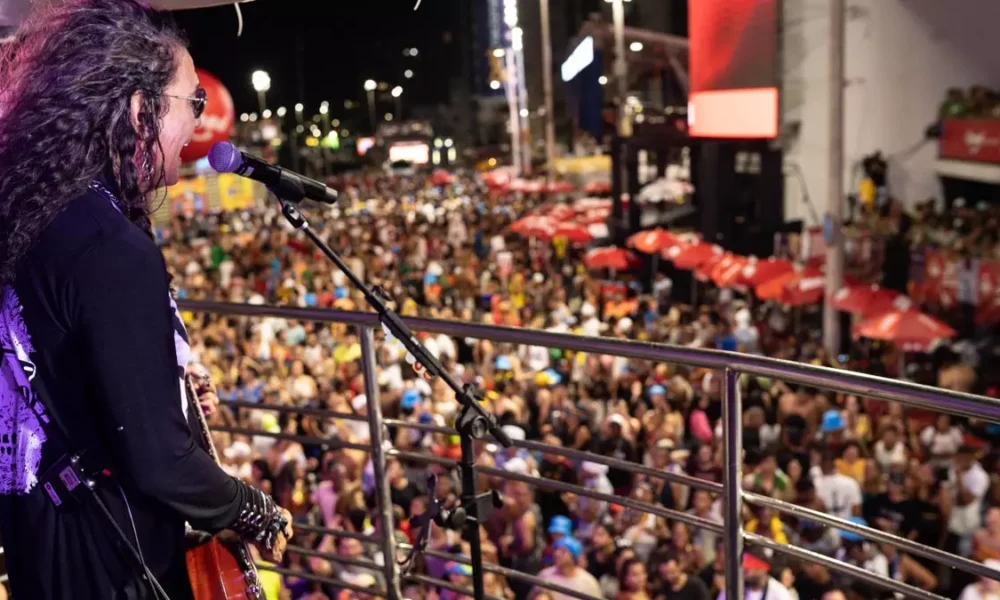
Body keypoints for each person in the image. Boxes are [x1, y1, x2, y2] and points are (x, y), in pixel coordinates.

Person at [0, 1, 292, 599]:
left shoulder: (41, 215)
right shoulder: (111, 248)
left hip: (42, 536)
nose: (196, 126)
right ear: (140, 110)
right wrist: (252, 507)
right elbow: (158, 458)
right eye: (193, 102)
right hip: (110, 558)